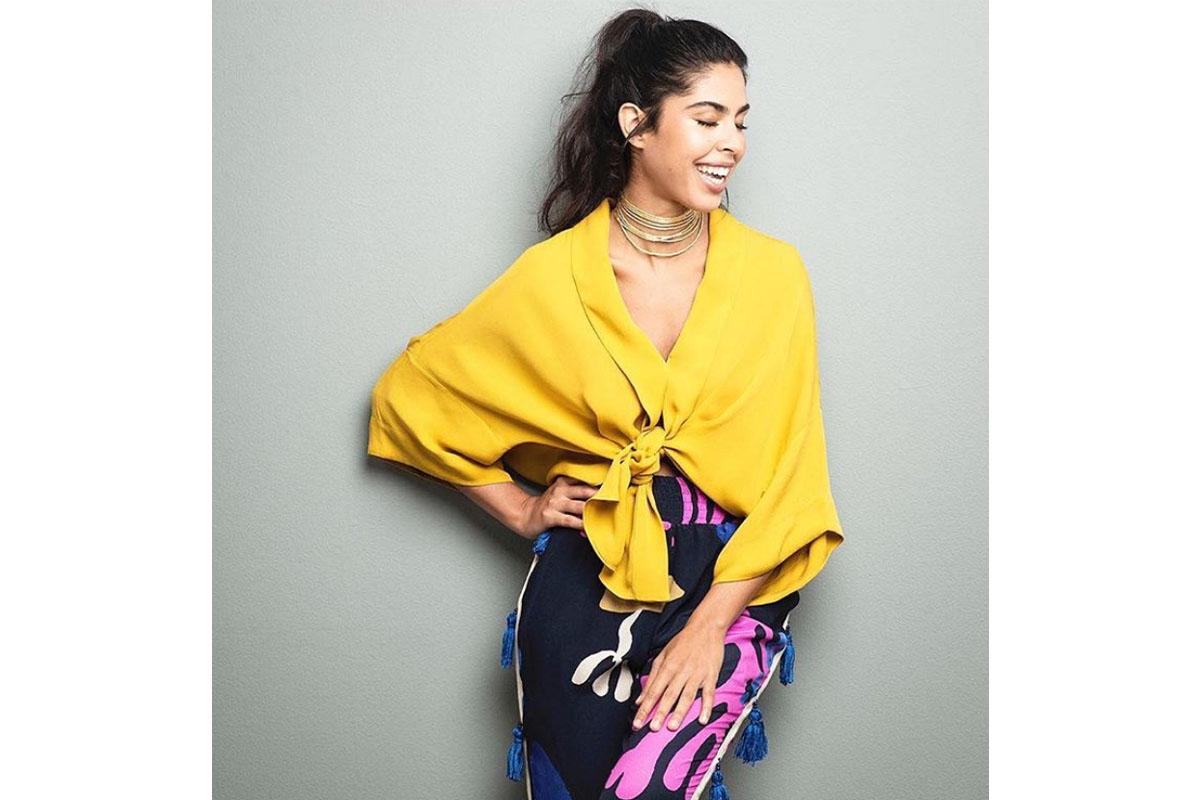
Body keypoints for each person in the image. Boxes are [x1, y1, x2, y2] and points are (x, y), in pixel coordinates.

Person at [367, 9, 845, 800]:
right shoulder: (554, 276)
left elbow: (794, 480)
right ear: (635, 125)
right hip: (585, 586)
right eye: (707, 118)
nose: (732, 142)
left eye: (740, 120)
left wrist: (709, 628)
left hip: (732, 584)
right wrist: (520, 508)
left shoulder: (774, 276)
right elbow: (411, 397)